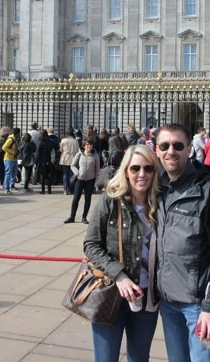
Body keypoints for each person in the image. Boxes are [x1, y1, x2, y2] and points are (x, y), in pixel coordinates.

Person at [155, 123, 210, 362]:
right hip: (168, 303)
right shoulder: (156, 188)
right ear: (157, 150)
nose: (171, 151)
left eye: (178, 145)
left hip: (199, 304)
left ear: (189, 149)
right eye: (165, 146)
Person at [83, 144, 160, 362]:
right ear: (126, 170)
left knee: (139, 357)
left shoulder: (160, 203)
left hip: (146, 298)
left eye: (148, 168)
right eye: (135, 168)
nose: (142, 174)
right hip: (111, 294)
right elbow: (91, 245)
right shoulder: (111, 199)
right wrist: (119, 275)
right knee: (106, 358)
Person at [65, 139, 100, 224]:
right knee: (76, 198)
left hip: (90, 180)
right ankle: (72, 216)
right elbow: (72, 165)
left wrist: (97, 182)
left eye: (91, 145)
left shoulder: (95, 156)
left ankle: (84, 217)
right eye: (87, 145)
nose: (89, 146)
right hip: (80, 179)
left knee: (87, 199)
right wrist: (77, 172)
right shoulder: (79, 154)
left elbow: (97, 170)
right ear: (84, 146)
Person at [35, 129, 56, 194]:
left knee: (42, 176)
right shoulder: (51, 142)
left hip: (42, 161)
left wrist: (35, 162)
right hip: (49, 160)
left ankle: (43, 190)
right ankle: (49, 190)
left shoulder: (40, 143)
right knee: (48, 176)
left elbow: (37, 154)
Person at [60, 129, 80, 195]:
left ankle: (65, 189)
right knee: (72, 174)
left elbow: (61, 150)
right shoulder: (75, 141)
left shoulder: (63, 140)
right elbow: (77, 150)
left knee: (65, 174)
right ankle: (71, 189)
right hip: (73, 157)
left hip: (65, 157)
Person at [2, 127, 20, 194]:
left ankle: (12, 185)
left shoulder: (15, 139)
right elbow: (4, 147)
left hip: (13, 158)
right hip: (8, 158)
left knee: (14, 173)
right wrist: (12, 152)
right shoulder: (11, 139)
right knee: (8, 173)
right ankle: (7, 188)